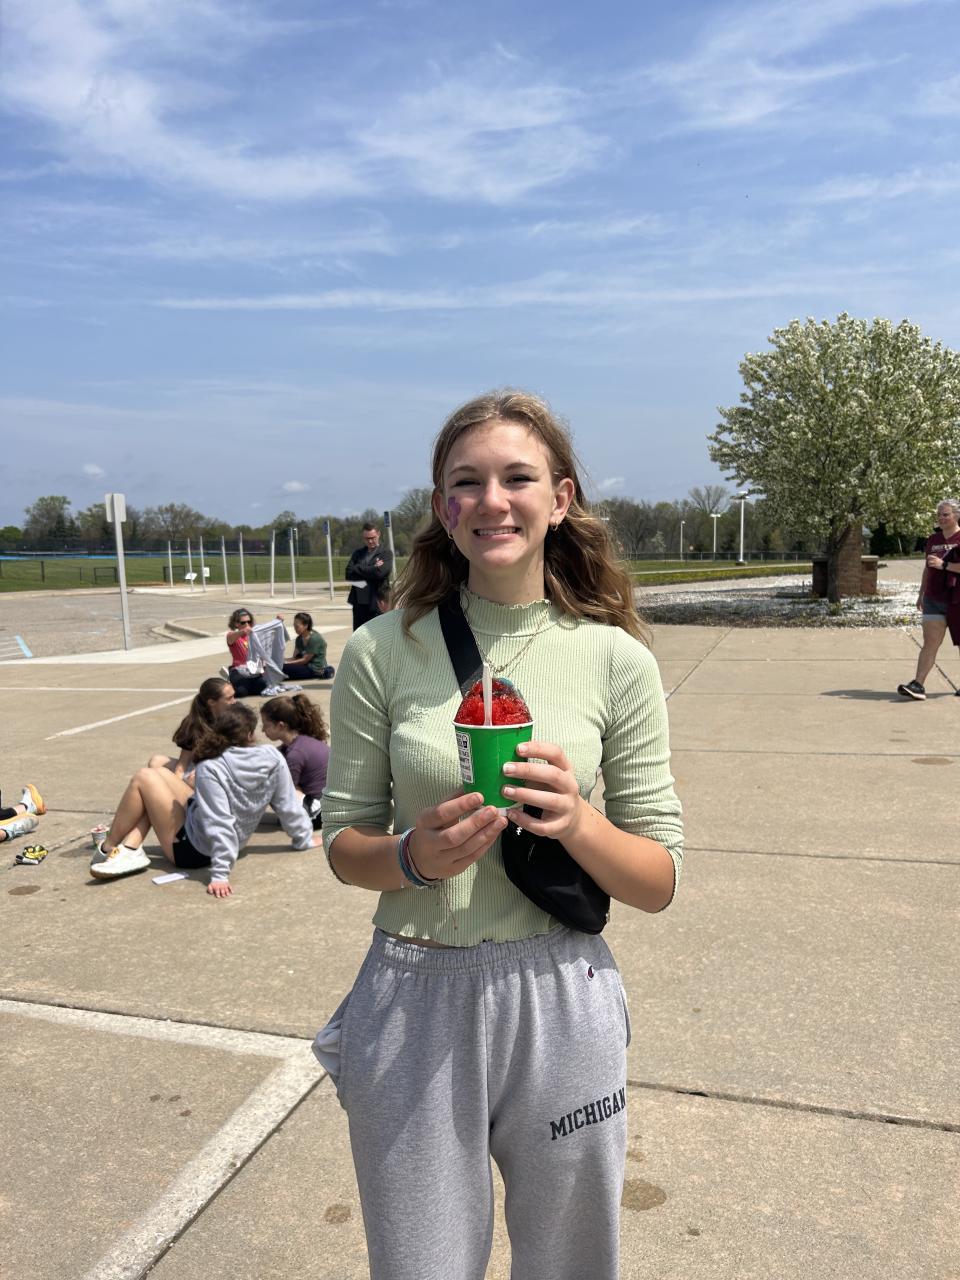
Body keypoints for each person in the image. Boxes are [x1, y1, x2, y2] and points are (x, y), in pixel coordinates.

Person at [317, 391, 683, 1280]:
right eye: (466, 482)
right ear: (443, 508)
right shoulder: (380, 650)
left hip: (560, 992)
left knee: (571, 1261)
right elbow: (343, 844)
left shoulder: (617, 658)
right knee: (420, 1264)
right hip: (412, 992)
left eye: (517, 478)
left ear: (560, 498)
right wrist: (410, 856)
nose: (493, 501)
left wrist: (580, 821)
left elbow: (658, 878)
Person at [89, 703, 319, 891]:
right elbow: (288, 804)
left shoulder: (212, 766)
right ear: (250, 735)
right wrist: (303, 839)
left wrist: (220, 874)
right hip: (234, 842)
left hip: (195, 852)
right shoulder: (272, 756)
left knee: (144, 777)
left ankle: (108, 848)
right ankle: (131, 847)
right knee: (158, 770)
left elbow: (219, 822)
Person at [897, 499, 960, 700]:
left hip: (957, 598)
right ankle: (918, 685)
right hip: (934, 598)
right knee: (930, 643)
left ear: (956, 515)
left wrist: (944, 565)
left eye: (945, 514)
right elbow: (927, 568)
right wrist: (921, 593)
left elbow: (940, 565)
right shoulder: (933, 539)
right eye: (939, 514)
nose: (941, 518)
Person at [261, 694, 330, 829]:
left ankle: (299, 819)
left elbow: (285, 792)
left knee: (272, 785)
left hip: (320, 815)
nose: (263, 730)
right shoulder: (302, 742)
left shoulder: (295, 754)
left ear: (280, 726)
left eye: (266, 725)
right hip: (332, 805)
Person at [147, 676, 236, 775]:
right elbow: (183, 763)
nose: (234, 701)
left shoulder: (237, 719)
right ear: (211, 702)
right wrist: (178, 779)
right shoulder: (194, 723)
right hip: (199, 770)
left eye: (233, 696)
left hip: (224, 770)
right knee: (156, 761)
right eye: (229, 698)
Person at [345, 523, 393, 630]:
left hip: (378, 602)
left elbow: (380, 573)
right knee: (359, 635)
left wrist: (357, 568)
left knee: (378, 634)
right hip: (359, 603)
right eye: (367, 539)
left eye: (373, 538)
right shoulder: (358, 554)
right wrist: (373, 568)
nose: (370, 541)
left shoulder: (385, 553)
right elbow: (348, 574)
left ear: (378, 534)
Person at [281, 612, 335, 681]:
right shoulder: (299, 639)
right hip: (304, 666)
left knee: (283, 669)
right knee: (278, 667)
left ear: (306, 625)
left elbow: (305, 660)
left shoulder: (314, 639)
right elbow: (294, 658)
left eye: (297, 626)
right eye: (294, 626)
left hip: (314, 669)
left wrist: (286, 663)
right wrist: (281, 660)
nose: (295, 628)